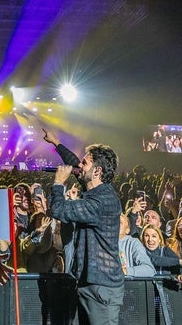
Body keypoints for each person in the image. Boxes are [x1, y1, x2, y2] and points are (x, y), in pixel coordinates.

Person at [44, 129, 124, 325]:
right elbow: (75, 165)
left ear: (97, 171)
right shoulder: (98, 190)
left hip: (101, 287)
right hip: (92, 283)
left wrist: (58, 184)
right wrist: (56, 143)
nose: (79, 166)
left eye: (85, 163)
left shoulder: (100, 202)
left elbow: (58, 209)